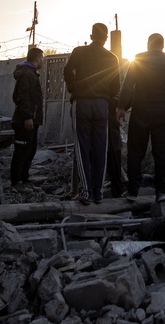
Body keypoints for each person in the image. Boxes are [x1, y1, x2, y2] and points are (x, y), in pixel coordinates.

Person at [117, 33, 165, 203]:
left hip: (140, 112)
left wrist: (120, 107)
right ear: (163, 45)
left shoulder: (138, 60)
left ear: (148, 44)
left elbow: (127, 86)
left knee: (135, 152)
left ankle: (133, 191)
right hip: (162, 113)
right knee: (161, 153)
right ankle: (161, 192)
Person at [64, 23, 119, 204]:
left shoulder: (79, 52)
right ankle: (98, 193)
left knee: (82, 148)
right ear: (106, 38)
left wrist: (74, 88)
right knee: (100, 149)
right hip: (102, 105)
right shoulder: (112, 57)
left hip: (83, 102)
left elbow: (67, 71)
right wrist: (108, 102)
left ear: (91, 35)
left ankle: (86, 192)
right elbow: (115, 87)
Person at [10, 47, 44, 191]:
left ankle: (24, 180)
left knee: (29, 151)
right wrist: (28, 117)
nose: (42, 60)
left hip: (31, 120)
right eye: (42, 58)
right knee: (22, 151)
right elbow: (22, 96)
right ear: (37, 59)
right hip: (25, 121)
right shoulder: (27, 74)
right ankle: (16, 183)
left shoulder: (31, 74)